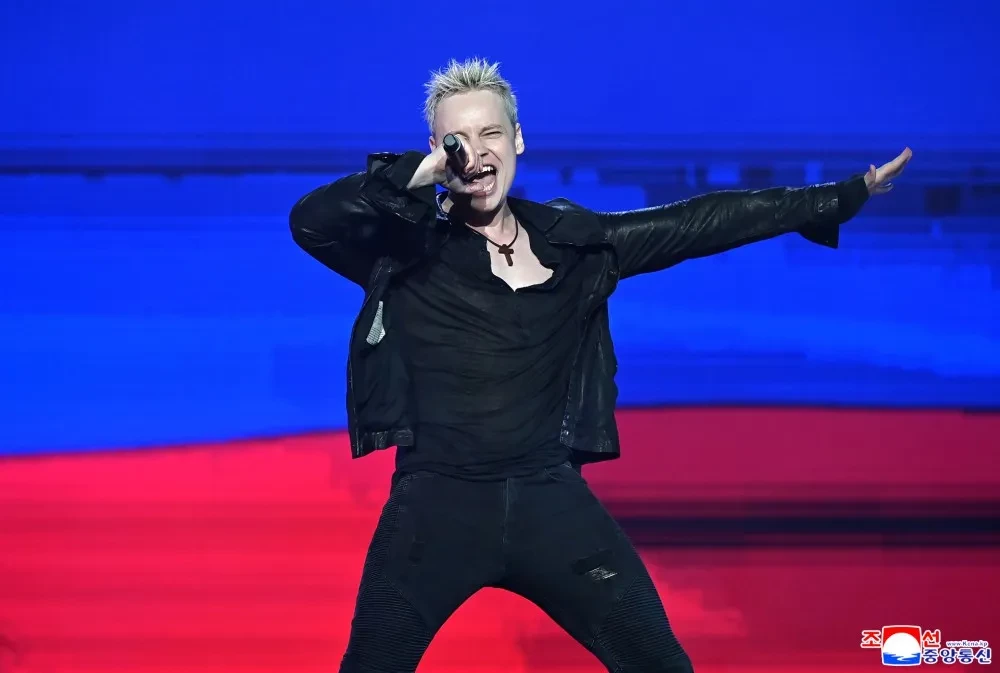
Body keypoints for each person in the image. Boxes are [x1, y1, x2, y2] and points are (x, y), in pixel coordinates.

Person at [289, 57, 911, 673]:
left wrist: (835, 198)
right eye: (456, 141)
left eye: (490, 133)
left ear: (518, 139)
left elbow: (699, 223)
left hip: (550, 505)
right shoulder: (405, 248)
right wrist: (414, 175)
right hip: (433, 511)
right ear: (436, 150)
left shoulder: (577, 244)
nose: (474, 154)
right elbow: (312, 223)